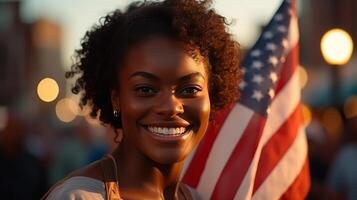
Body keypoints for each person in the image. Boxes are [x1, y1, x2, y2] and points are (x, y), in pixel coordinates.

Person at [43, 0, 240, 199]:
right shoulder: (78, 197)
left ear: (212, 95)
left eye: (190, 89)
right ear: (116, 99)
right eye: (145, 89)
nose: (171, 107)